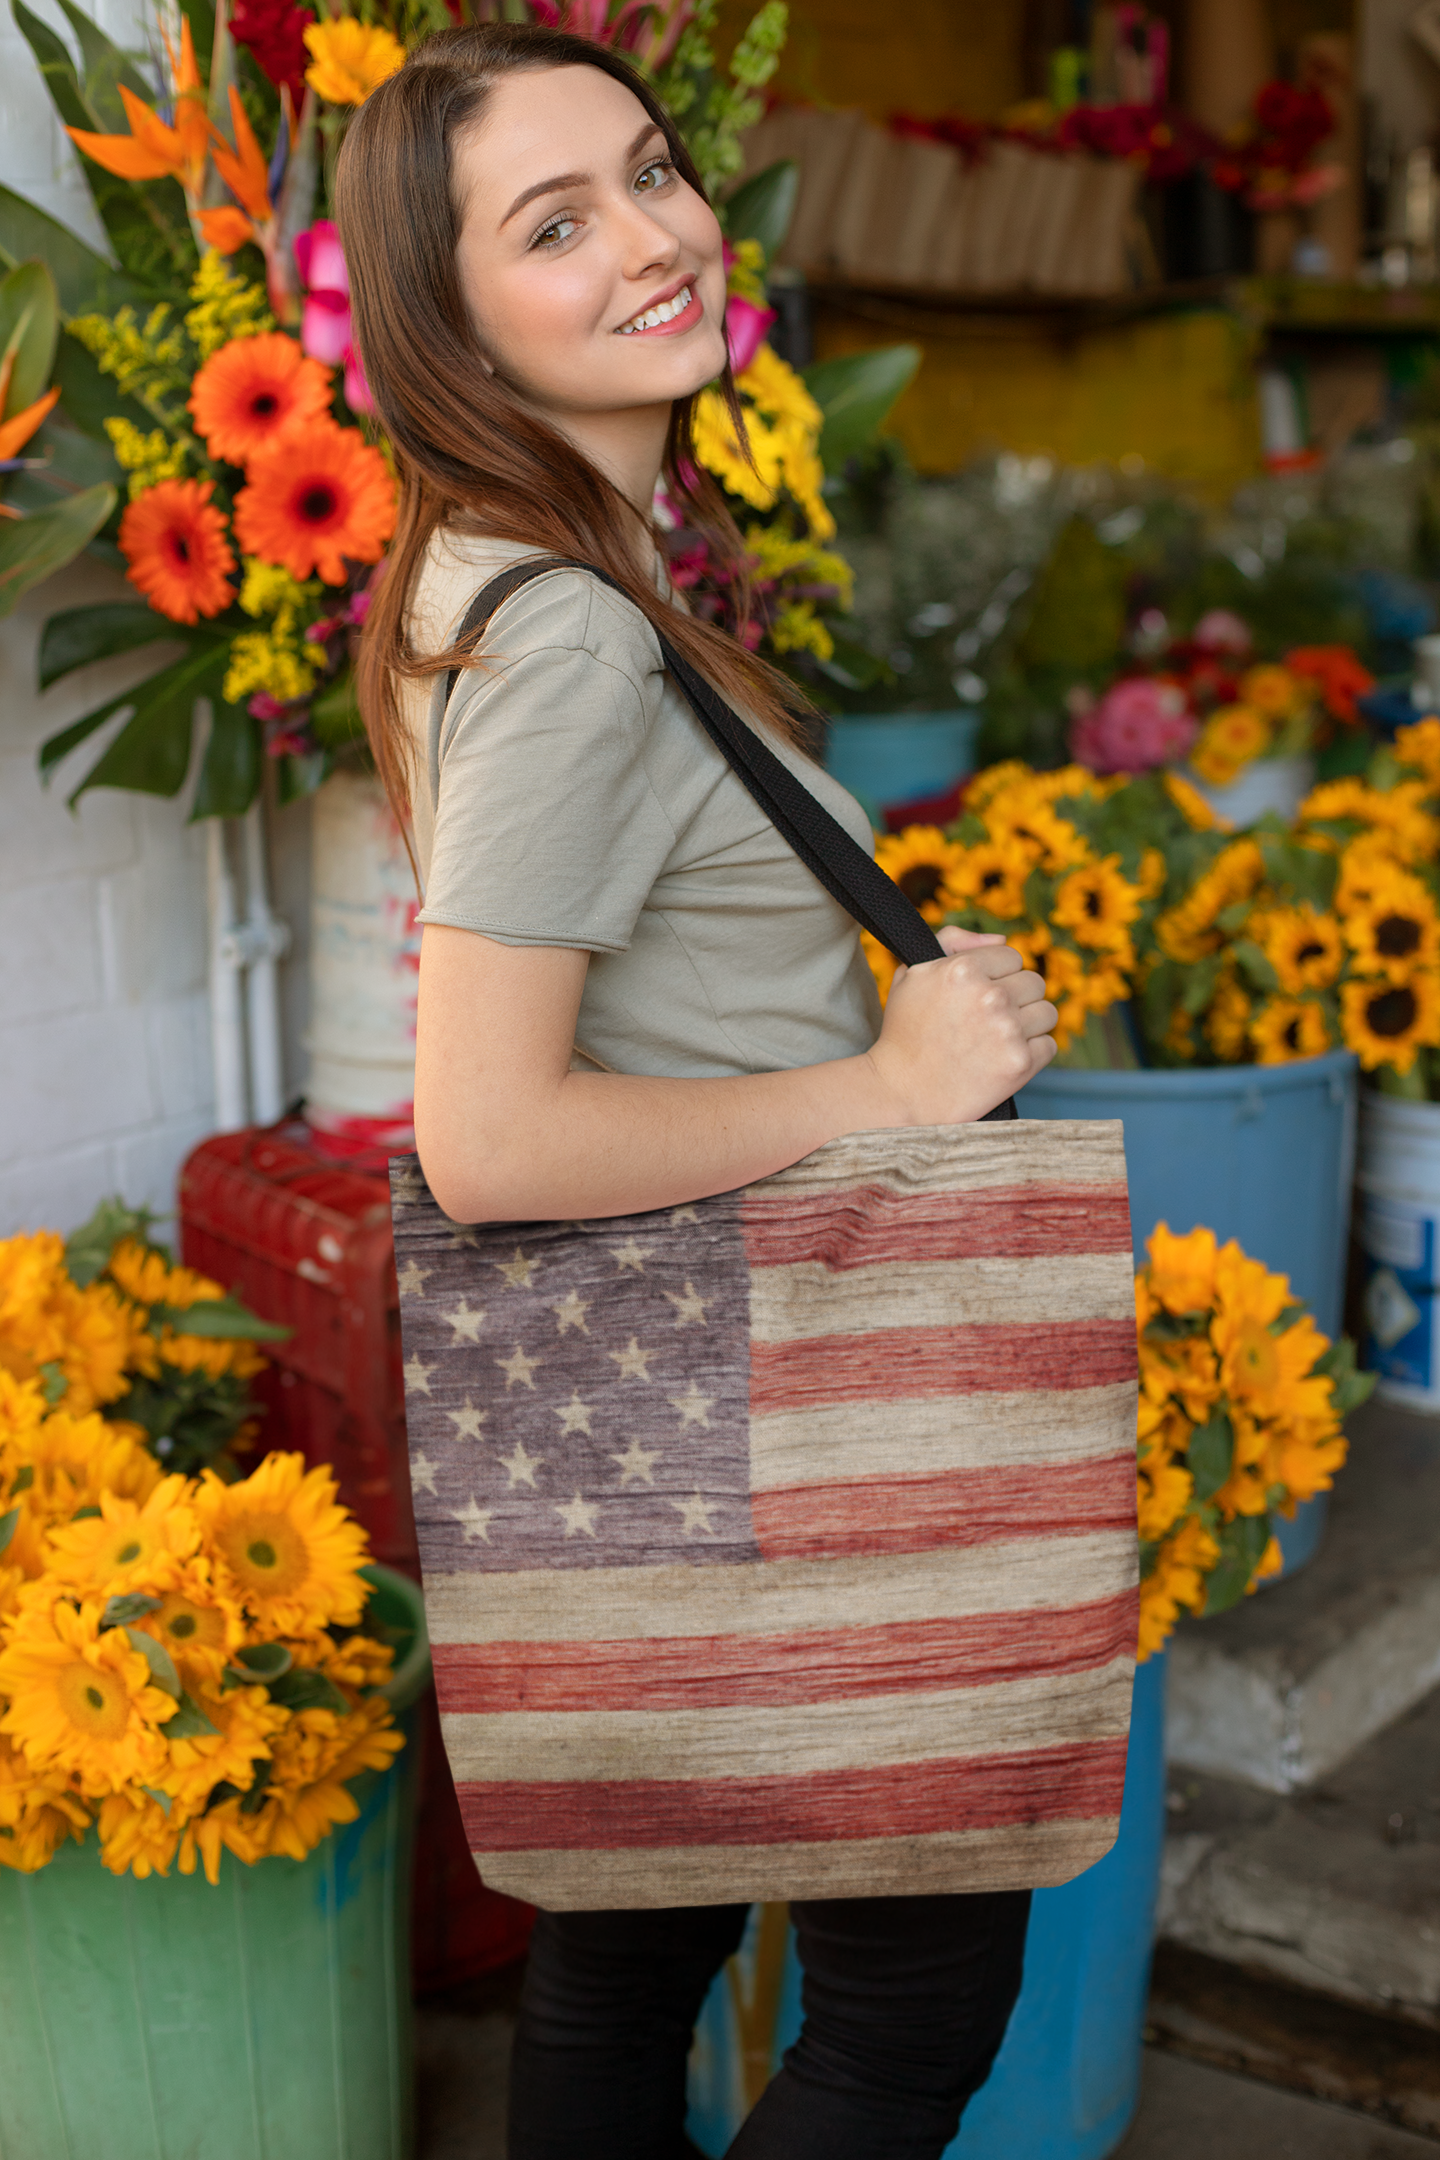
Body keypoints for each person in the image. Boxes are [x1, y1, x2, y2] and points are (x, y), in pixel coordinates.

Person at [336, 26, 1058, 2159]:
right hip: (765, 1392)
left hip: (668, 1399)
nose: (656, 235)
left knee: (629, 1963)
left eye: (652, 173)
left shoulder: (511, 578)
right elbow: (492, 1136)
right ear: (448, 317)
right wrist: (887, 1080)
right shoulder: (562, 631)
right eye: (556, 223)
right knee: (915, 2000)